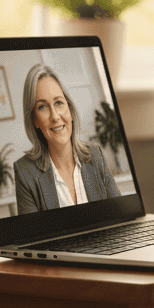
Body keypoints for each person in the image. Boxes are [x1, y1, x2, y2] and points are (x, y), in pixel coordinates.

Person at [13, 63, 120, 215]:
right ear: (34, 120)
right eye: (42, 107)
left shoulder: (96, 157)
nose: (55, 116)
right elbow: (33, 236)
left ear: (69, 109)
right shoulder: (25, 172)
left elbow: (120, 217)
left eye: (58, 103)